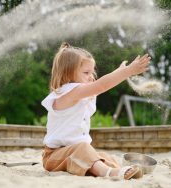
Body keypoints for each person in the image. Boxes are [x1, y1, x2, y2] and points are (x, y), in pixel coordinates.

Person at [41, 42, 150, 180]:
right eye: (86, 73)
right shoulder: (68, 93)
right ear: (67, 74)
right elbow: (101, 86)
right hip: (54, 156)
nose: (91, 76)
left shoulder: (80, 94)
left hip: (74, 154)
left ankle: (119, 169)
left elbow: (100, 85)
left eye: (92, 72)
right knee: (83, 150)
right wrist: (127, 72)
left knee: (103, 156)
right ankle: (110, 173)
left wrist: (120, 71)